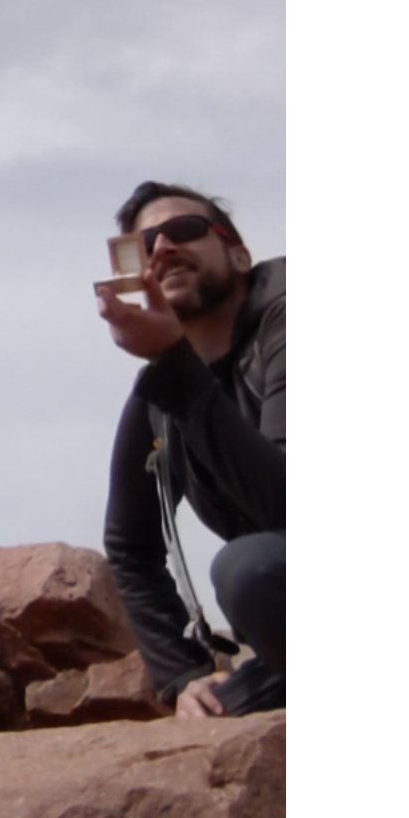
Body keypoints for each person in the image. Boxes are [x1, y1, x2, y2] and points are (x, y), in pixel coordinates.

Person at [94, 183, 285, 717]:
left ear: (238, 254)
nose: (162, 248)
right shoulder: (160, 393)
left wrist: (175, 366)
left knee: (248, 569)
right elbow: (130, 545)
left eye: (184, 231)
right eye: (145, 243)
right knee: (221, 712)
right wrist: (181, 672)